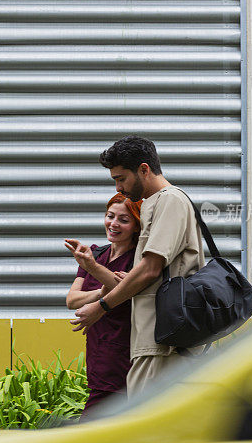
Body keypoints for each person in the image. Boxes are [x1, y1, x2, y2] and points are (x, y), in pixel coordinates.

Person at [70, 136, 205, 398]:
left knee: (148, 427)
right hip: (154, 338)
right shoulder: (155, 203)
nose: (119, 188)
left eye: (122, 178)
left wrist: (102, 306)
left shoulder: (170, 200)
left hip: (163, 341)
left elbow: (150, 268)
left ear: (144, 169)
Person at [65, 193, 142, 419]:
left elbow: (128, 292)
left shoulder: (138, 260)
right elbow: (72, 300)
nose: (114, 224)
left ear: (136, 226)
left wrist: (92, 268)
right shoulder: (96, 253)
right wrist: (103, 292)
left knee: (95, 421)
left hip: (123, 354)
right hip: (97, 350)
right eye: (110, 216)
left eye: (124, 220)